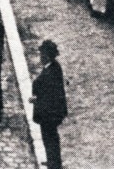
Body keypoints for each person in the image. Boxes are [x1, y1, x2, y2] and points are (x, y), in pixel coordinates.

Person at [31, 39, 68, 169]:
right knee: (52, 138)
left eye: (41, 55)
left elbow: (48, 95)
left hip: (49, 113)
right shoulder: (55, 67)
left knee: (49, 139)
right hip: (53, 111)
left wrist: (36, 99)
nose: (40, 57)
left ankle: (54, 164)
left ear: (46, 56)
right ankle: (53, 161)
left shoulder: (49, 73)